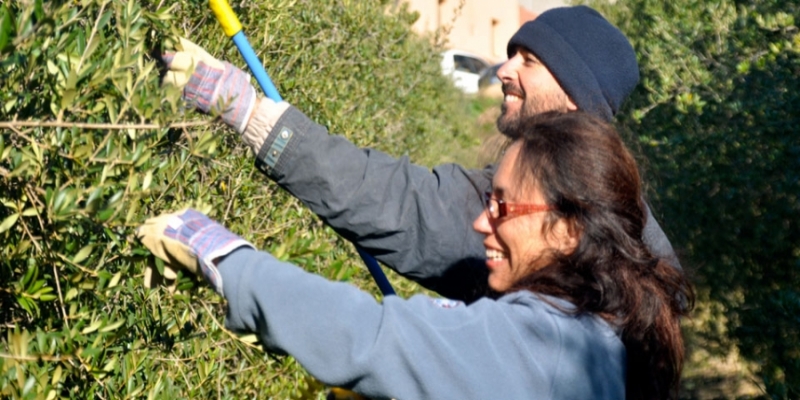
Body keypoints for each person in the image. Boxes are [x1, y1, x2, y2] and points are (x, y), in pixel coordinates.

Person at [137, 111, 694, 400]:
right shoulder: (601, 337)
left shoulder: (547, 344)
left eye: (502, 205)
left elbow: (373, 337)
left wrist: (225, 258)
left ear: (568, 231)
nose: (481, 221)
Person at [161, 5, 680, 302]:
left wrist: (247, 111)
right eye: (510, 54)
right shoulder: (627, 212)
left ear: (573, 94)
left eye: (529, 61)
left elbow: (401, 205)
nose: (503, 71)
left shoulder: (545, 201)